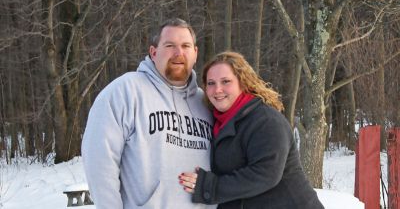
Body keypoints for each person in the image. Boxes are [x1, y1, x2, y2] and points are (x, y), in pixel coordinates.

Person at [82, 18, 216, 209]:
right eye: (170, 45)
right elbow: (99, 162)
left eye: (186, 46)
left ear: (195, 53)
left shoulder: (206, 103)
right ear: (154, 52)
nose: (178, 53)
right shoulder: (125, 91)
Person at [179, 51, 324, 208]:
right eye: (211, 83)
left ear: (242, 82)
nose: (217, 90)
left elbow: (265, 174)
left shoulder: (265, 120)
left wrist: (209, 187)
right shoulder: (218, 121)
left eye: (226, 81)